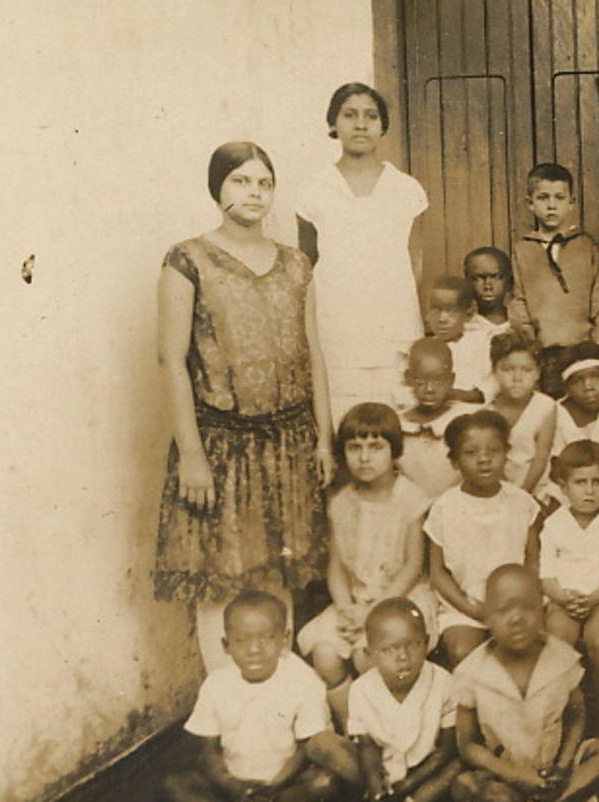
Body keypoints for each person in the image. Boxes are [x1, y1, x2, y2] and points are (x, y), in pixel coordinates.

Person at [155, 141, 334, 675]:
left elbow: (314, 353)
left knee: (274, 576)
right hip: (219, 446)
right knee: (220, 580)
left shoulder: (297, 265)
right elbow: (171, 360)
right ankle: (228, 712)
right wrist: (191, 453)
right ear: (217, 188)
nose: (253, 192)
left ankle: (276, 711)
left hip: (287, 443)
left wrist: (323, 438)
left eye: (263, 182)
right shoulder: (187, 260)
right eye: (240, 181)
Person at [452, 566, 599, 802]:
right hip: (509, 774)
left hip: (558, 767)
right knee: (465, 787)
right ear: (488, 616)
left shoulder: (561, 657)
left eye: (528, 608)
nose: (517, 618)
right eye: (504, 610)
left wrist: (563, 762)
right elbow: (468, 745)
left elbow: (576, 715)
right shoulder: (471, 672)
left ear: (543, 610)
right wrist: (516, 775)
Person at [160, 591, 343, 802]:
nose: (254, 649)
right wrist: (233, 786)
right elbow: (208, 749)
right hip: (233, 785)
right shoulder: (217, 684)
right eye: (241, 640)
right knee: (171, 785)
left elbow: (306, 748)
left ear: (285, 638)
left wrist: (272, 787)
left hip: (283, 786)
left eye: (267, 638)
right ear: (226, 645)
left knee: (326, 783)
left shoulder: (303, 680)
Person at [297, 403, 436, 727]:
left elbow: (413, 566)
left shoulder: (410, 499)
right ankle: (355, 729)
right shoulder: (342, 501)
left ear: (394, 450)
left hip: (400, 599)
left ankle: (391, 730)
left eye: (375, 447)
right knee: (326, 655)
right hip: (356, 600)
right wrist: (346, 608)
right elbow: (337, 566)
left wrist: (372, 612)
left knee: (367, 658)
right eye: (354, 447)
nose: (364, 457)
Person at [296, 83, 427, 420]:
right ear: (332, 124)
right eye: (349, 115)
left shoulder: (406, 190)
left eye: (371, 116)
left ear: (383, 126)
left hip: (394, 326)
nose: (360, 124)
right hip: (337, 329)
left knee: (394, 419)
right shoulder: (314, 191)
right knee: (344, 419)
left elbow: (416, 264)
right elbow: (307, 265)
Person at [324, 598, 460, 802]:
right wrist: (377, 790)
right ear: (370, 654)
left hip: (424, 775)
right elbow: (367, 747)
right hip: (382, 774)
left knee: (459, 765)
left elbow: (446, 751)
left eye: (413, 644)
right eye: (389, 650)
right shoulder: (361, 690)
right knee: (326, 747)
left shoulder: (443, 682)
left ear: (428, 642)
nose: (403, 657)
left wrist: (405, 788)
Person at [423, 410, 541, 665]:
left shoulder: (521, 503)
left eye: (493, 451)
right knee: (464, 652)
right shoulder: (445, 507)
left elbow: (532, 560)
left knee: (531, 655)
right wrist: (473, 609)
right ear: (454, 460)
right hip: (466, 608)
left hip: (517, 605)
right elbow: (438, 573)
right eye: (471, 452)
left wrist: (522, 604)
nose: (484, 460)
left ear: (506, 454)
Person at [538, 440, 599, 730]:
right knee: (558, 641)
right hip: (563, 600)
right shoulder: (555, 524)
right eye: (580, 482)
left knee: (598, 639)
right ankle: (566, 714)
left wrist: (595, 597)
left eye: (597, 482)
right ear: (563, 486)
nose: (589, 491)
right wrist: (562, 598)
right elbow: (546, 576)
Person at [508, 162, 599, 396]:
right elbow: (519, 299)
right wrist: (530, 344)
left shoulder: (585, 245)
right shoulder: (523, 249)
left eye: (559, 198)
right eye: (543, 198)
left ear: (571, 203)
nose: (552, 205)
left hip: (583, 348)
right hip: (545, 352)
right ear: (530, 204)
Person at [545, 344, 599, 505]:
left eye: (596, 377)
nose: (589, 387)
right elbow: (556, 469)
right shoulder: (555, 413)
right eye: (577, 381)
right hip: (567, 493)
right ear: (567, 387)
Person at [397, 337, 478, 499]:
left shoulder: (467, 420)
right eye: (420, 381)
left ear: (451, 380)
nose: (429, 389)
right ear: (408, 378)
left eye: (438, 381)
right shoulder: (399, 425)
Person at [486, 332, 558, 495]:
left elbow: (541, 456)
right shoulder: (488, 411)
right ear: (494, 371)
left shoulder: (545, 406)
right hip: (499, 490)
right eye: (507, 369)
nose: (517, 378)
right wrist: (507, 494)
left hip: (536, 489)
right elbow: (491, 459)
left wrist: (523, 493)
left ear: (537, 373)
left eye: (526, 370)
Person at [423, 274, 494, 404]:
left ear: (469, 312)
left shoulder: (481, 344)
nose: (442, 319)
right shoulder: (423, 348)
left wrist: (446, 394)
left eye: (451, 311)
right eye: (436, 310)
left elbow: (483, 394)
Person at [464, 246, 513, 330]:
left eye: (496, 277)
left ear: (509, 281)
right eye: (478, 278)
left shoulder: (521, 326)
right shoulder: (463, 329)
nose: (487, 286)